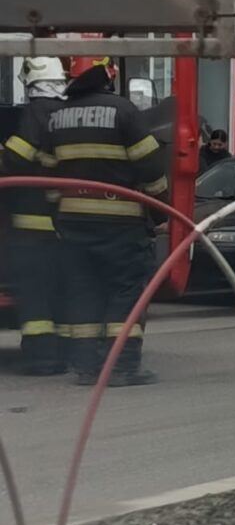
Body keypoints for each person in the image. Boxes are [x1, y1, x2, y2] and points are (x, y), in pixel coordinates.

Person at [21, 56, 169, 386]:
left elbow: (48, 174)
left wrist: (62, 215)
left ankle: (87, 367)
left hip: (73, 225)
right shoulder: (124, 111)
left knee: (83, 293)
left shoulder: (56, 117)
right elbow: (151, 169)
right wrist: (161, 210)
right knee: (125, 292)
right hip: (121, 224)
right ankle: (123, 366)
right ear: (107, 77)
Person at [0, 57, 68, 375]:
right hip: (63, 221)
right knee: (60, 288)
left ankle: (42, 356)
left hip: (32, 222)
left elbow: (17, 158)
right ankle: (64, 352)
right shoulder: (68, 110)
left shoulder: (37, 110)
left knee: (34, 290)